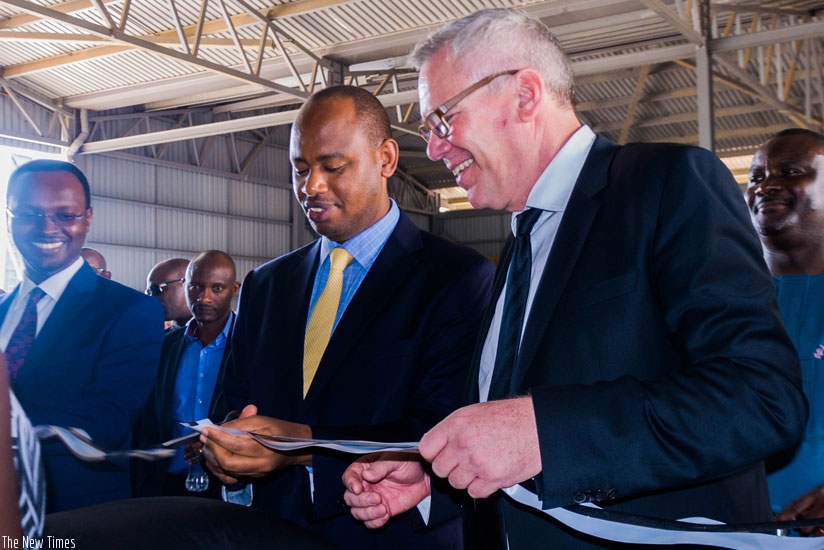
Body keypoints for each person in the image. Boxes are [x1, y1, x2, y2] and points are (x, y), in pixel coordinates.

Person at [341, 9, 808, 549]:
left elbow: (761, 399)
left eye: (442, 120)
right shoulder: (522, 239)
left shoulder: (667, 185)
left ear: (524, 94)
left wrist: (543, 433)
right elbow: (516, 436)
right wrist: (440, 477)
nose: (435, 149)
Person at [201, 85, 494, 549]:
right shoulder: (267, 285)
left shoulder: (457, 278)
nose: (311, 186)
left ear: (387, 158)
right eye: (300, 169)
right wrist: (230, 449)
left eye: (332, 167)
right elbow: (231, 403)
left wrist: (297, 446)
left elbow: (439, 428)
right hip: (267, 534)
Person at [0, 159, 164, 513]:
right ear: (9, 218)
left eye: (65, 215)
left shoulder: (129, 312)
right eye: (29, 214)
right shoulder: (2, 313)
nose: (47, 228)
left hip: (73, 518)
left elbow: (102, 423)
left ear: (87, 218)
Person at [746, 128, 824, 535]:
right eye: (756, 177)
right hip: (733, 531)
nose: (768, 185)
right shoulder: (718, 302)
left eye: (792, 171)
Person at [133, 250, 239, 498]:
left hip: (225, 483)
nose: (204, 298)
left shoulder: (249, 345)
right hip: (166, 482)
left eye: (217, 288)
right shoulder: (167, 346)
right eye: (195, 287)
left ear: (234, 289)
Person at [146, 258, 191, 331]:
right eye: (149, 292)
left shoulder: (213, 338)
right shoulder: (166, 338)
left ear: (187, 284)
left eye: (156, 289)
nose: (152, 297)